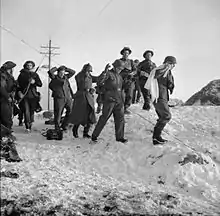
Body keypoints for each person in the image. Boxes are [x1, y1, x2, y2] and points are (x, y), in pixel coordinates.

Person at [91, 60, 128, 143]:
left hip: (119, 100)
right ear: (115, 66)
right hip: (109, 100)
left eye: (121, 68)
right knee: (104, 118)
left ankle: (120, 137)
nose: (120, 70)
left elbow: (122, 88)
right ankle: (94, 136)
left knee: (120, 119)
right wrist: (104, 72)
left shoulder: (119, 76)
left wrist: (128, 81)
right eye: (119, 68)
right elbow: (100, 81)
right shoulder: (108, 73)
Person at [151, 56, 177, 145]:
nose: (173, 66)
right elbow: (155, 75)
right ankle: (156, 136)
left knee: (162, 117)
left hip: (162, 97)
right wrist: (165, 67)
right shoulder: (160, 70)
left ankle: (156, 138)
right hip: (159, 97)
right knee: (166, 116)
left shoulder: (167, 71)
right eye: (173, 64)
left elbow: (169, 83)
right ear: (168, 63)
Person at [68, 63, 97, 138]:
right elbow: (79, 80)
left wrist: (105, 72)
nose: (89, 72)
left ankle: (85, 133)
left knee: (89, 114)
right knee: (79, 114)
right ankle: (75, 129)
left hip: (89, 97)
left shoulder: (90, 77)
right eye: (88, 71)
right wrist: (85, 75)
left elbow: (98, 79)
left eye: (90, 71)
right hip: (81, 97)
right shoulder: (79, 75)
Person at [17, 61, 42, 132]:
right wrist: (19, 93)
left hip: (33, 96)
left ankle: (30, 123)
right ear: (25, 66)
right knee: (26, 111)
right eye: (28, 65)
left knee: (31, 111)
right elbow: (18, 85)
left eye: (30, 65)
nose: (29, 67)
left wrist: (34, 82)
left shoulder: (35, 75)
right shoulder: (22, 74)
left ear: (32, 66)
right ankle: (27, 126)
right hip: (24, 95)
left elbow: (40, 84)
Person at [48, 65, 75, 131]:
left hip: (68, 97)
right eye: (61, 73)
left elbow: (73, 72)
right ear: (58, 73)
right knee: (58, 113)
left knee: (70, 111)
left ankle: (64, 125)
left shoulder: (66, 77)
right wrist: (56, 68)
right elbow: (50, 72)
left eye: (63, 73)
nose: (62, 74)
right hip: (59, 98)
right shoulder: (55, 78)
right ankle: (57, 127)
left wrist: (66, 68)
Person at [118, 47, 136, 114]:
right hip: (121, 80)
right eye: (125, 53)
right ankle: (120, 108)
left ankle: (126, 108)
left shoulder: (131, 61)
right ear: (122, 53)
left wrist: (132, 73)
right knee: (121, 95)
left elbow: (135, 70)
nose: (126, 54)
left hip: (130, 80)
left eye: (127, 53)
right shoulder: (119, 61)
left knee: (130, 95)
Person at [0, 61, 17, 131]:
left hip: (7, 98)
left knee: (7, 117)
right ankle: (6, 135)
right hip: (3, 99)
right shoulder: (2, 76)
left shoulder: (10, 76)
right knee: (6, 117)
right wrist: (7, 97)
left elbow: (11, 86)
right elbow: (1, 87)